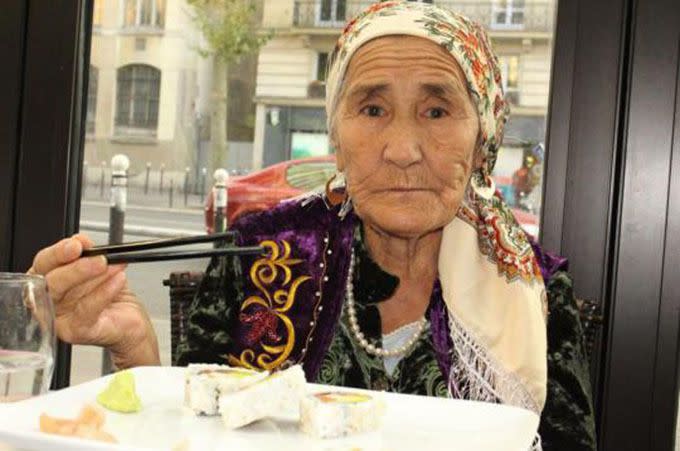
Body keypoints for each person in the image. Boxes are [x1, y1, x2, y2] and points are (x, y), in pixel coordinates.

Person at [30, 2, 595, 449]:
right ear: (337, 136)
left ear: (483, 139)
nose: (401, 149)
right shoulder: (261, 252)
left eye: (437, 110)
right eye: (372, 110)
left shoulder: (533, 291)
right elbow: (188, 432)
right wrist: (135, 350)